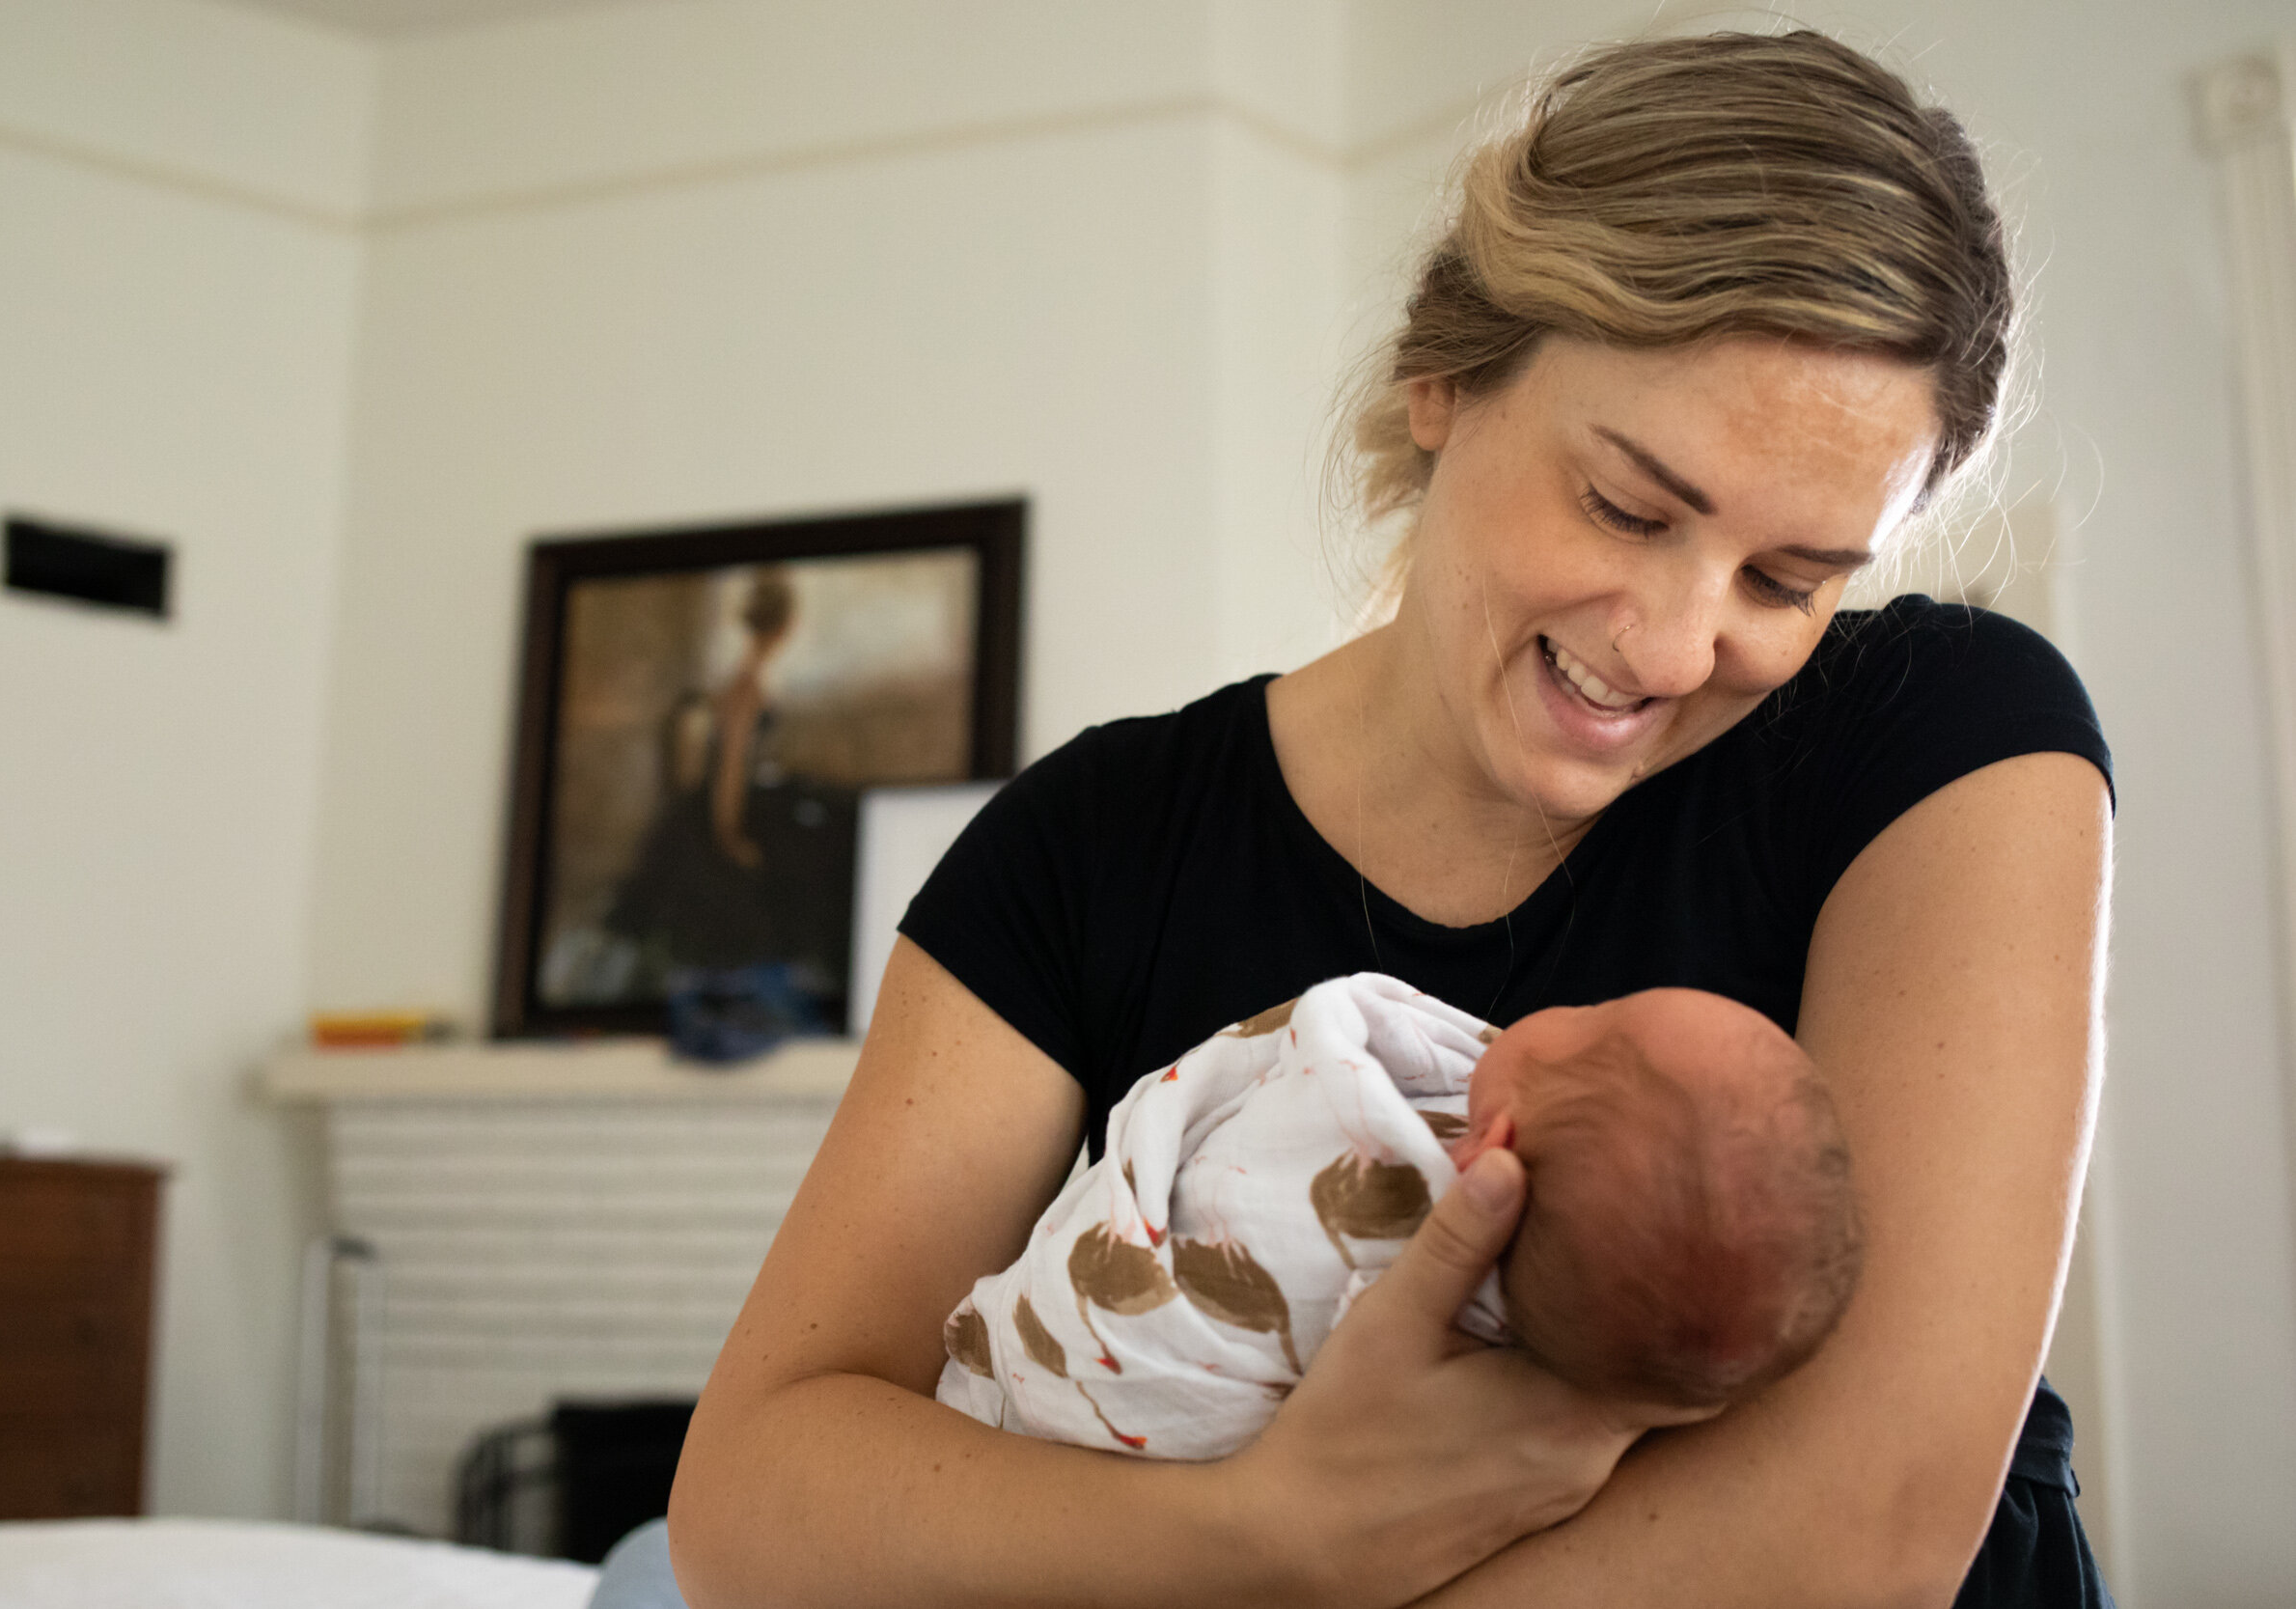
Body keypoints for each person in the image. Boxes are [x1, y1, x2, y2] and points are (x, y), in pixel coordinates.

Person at [667, 28, 2115, 1609]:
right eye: (1628, 507)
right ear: (1445, 376)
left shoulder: (1943, 734)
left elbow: (1866, 1525)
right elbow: (752, 1505)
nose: (1681, 641)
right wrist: (1262, 1538)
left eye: (1791, 579)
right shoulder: (1094, 840)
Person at [938, 976, 1862, 1459]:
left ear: (1489, 1146)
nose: (1569, 1007)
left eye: (1593, 1018)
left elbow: (1245, 1190)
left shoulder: (1371, 1187)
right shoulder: (1566, 1358)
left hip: (1042, 1406)